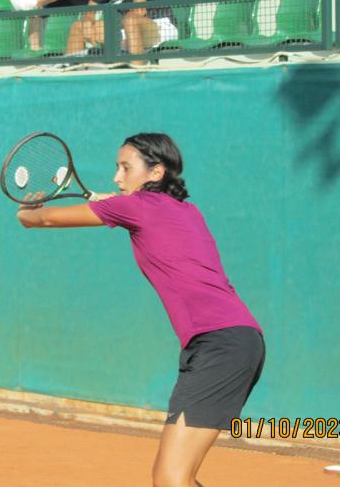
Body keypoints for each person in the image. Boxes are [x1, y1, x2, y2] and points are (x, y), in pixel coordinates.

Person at [15, 133, 265, 487]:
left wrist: (28, 210)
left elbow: (43, 220)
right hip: (237, 340)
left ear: (156, 172)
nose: (117, 177)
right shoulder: (187, 210)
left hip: (218, 345)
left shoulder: (133, 208)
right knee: (175, 477)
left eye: (125, 167)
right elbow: (146, 216)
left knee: (170, 478)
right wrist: (119, 206)